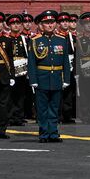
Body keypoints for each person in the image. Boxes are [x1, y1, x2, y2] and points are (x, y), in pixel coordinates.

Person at [30, 10, 72, 143]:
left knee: (54, 107)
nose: (49, 25)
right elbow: (31, 62)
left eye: (52, 22)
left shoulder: (61, 40)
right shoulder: (35, 40)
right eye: (46, 23)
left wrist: (66, 78)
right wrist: (33, 80)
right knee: (42, 109)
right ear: (41, 25)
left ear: (55, 24)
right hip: (42, 77)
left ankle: (53, 133)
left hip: (56, 78)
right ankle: (43, 133)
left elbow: (65, 60)